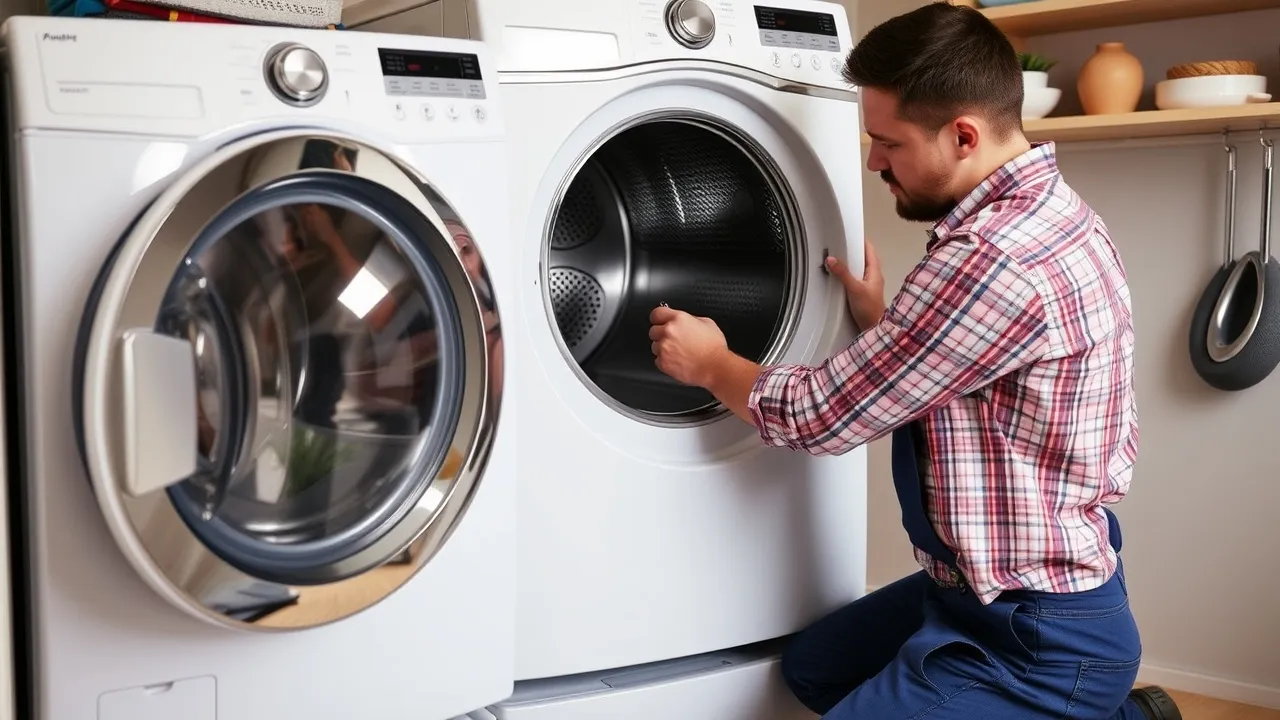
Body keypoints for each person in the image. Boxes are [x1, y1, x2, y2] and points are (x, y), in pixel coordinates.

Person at [646, 3, 1180, 718]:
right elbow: (978, 372)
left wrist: (713, 364)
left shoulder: (989, 260)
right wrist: (889, 324)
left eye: (887, 142)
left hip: (1037, 638)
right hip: (985, 591)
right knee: (812, 669)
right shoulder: (1049, 213)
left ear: (963, 135)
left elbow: (819, 418)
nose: (872, 162)